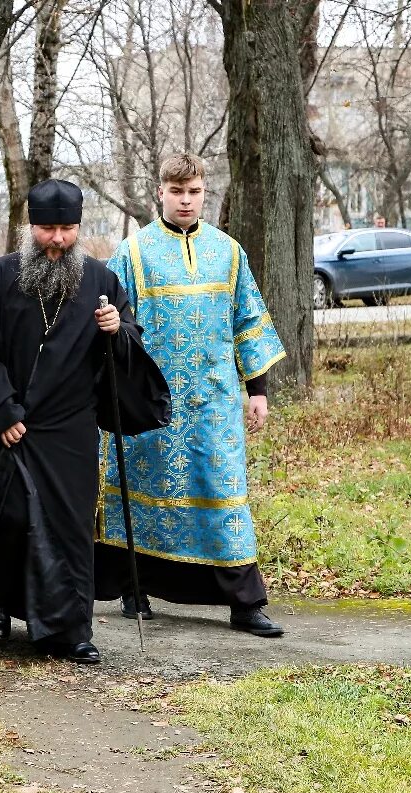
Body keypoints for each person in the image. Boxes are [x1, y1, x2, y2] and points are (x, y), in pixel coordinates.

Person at [0, 179, 170, 664]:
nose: (58, 240)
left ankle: (69, 630)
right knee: (9, 519)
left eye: (67, 229)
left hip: (70, 428)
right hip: (13, 422)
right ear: (31, 227)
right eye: (48, 228)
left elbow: (130, 338)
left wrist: (118, 331)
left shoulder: (101, 281)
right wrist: (2, 408)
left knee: (69, 529)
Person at [96, 153, 287, 637]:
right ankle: (133, 587)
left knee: (223, 492)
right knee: (145, 493)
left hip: (214, 403)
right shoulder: (132, 253)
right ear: (160, 192)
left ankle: (245, 603)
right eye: (177, 191)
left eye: (195, 191)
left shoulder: (228, 251)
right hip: (152, 402)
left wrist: (257, 391)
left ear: (205, 192)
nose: (186, 200)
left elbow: (248, 322)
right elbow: (116, 324)